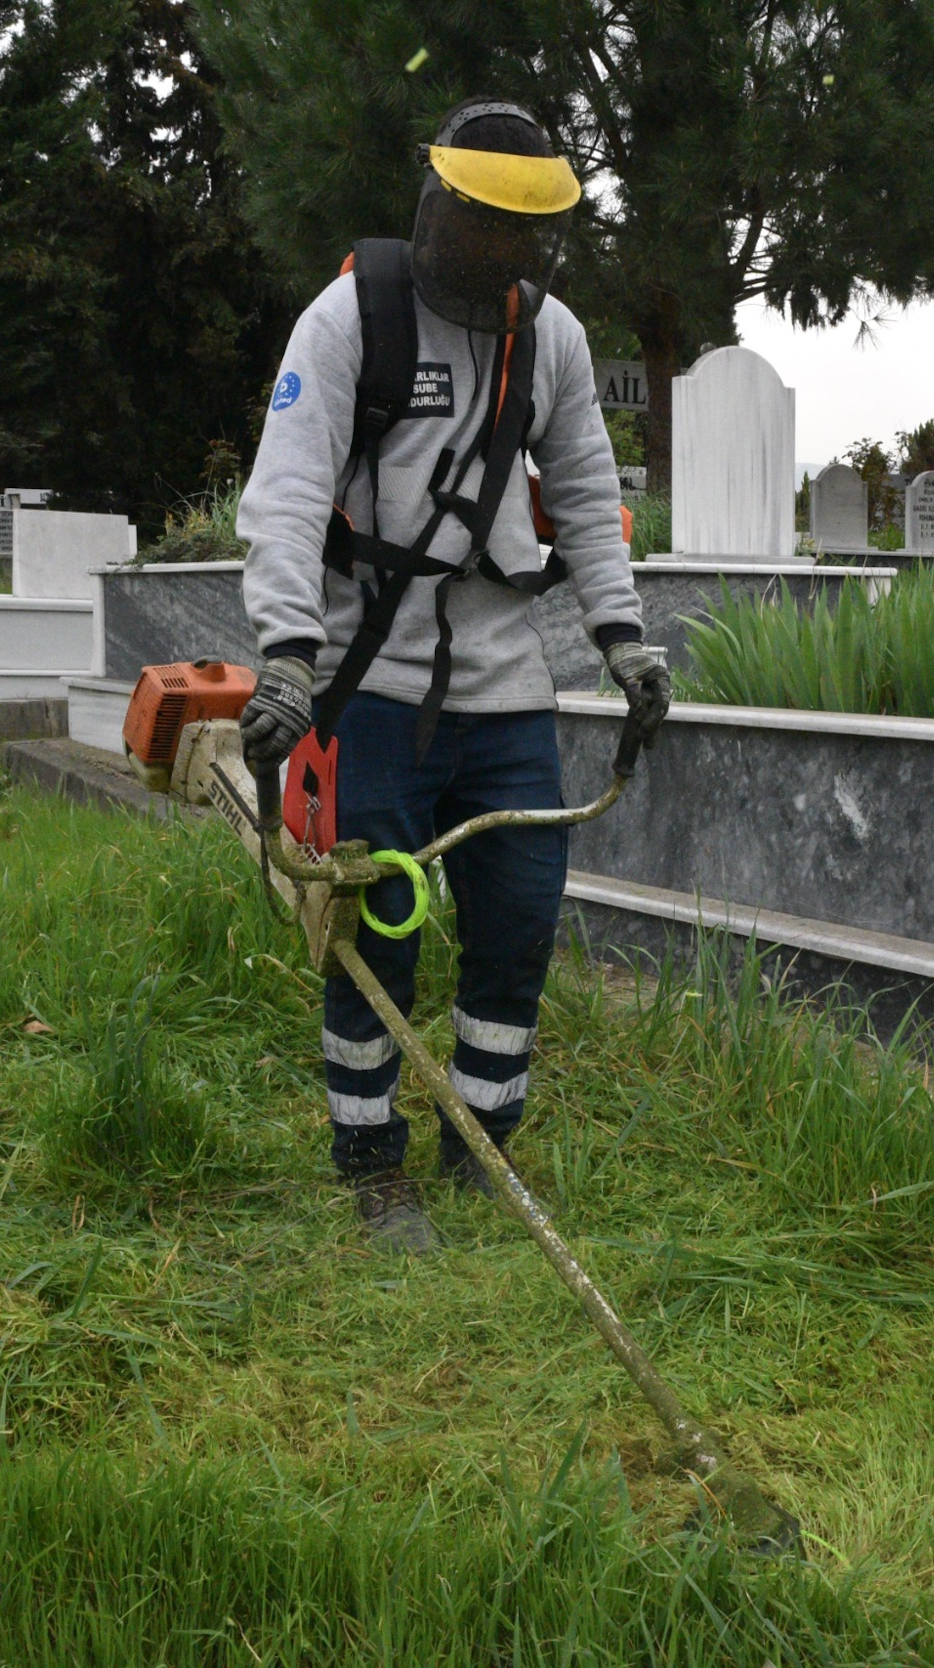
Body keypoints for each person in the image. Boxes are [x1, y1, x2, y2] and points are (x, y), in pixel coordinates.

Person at [234, 98, 673, 1253]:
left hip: (505, 688)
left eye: (527, 235)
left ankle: (480, 1151)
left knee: (519, 927)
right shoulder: (350, 321)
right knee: (375, 936)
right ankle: (372, 1166)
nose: (506, 254)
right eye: (489, 227)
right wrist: (286, 656)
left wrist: (620, 637)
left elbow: (583, 492)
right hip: (369, 682)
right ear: (440, 207)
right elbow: (283, 497)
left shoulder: (551, 338)